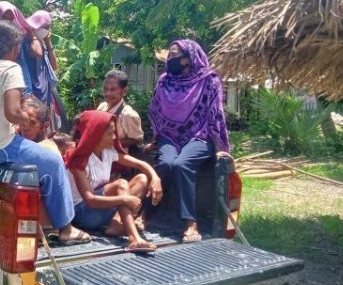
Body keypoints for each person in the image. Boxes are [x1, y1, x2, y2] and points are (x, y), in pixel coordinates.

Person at [0, 21, 90, 245]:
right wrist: (25, 119)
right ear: (13, 48)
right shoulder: (10, 69)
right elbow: (12, 113)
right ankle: (67, 229)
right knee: (52, 162)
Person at [147, 39, 230, 243]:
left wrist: (220, 145)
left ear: (188, 58)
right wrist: (156, 137)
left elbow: (215, 114)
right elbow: (155, 110)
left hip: (200, 135)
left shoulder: (209, 80)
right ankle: (146, 214)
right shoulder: (165, 81)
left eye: (174, 55)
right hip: (169, 136)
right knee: (166, 164)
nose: (170, 58)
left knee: (182, 164)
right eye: (169, 55)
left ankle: (191, 223)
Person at [66, 110, 162, 252]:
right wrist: (124, 199)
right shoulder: (78, 160)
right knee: (121, 185)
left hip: (102, 208)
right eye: (110, 133)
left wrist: (155, 177)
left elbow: (141, 164)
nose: (115, 137)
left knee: (142, 179)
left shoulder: (108, 152)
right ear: (96, 135)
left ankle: (116, 224)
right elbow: (90, 200)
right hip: (84, 214)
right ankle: (134, 238)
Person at [96, 69, 144, 151]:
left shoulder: (128, 115)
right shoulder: (102, 107)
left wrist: (110, 141)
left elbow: (138, 140)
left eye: (113, 89)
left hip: (119, 156)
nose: (108, 93)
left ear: (124, 91)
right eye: (105, 89)